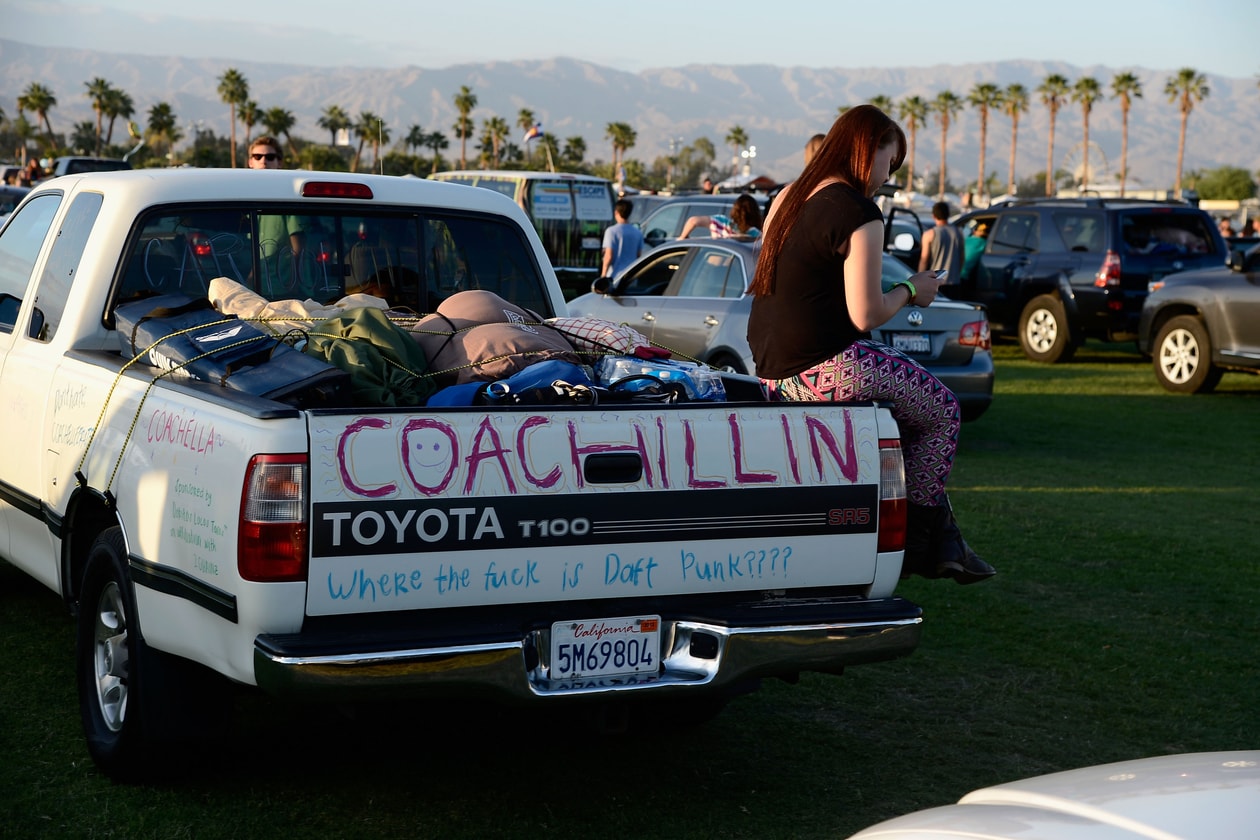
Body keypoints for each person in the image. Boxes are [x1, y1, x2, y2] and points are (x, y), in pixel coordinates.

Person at [746, 104, 995, 585]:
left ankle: (946, 542)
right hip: (824, 365)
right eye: (890, 161)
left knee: (904, 412)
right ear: (866, 151)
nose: (888, 176)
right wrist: (912, 292)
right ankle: (923, 545)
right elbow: (866, 313)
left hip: (770, 367)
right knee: (942, 409)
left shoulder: (786, 196)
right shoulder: (860, 212)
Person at [679, 193, 764, 240]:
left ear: (734, 210)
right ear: (755, 213)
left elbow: (692, 221)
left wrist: (682, 238)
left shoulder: (721, 222)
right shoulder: (757, 236)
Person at [918, 200, 965, 281]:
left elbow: (924, 260)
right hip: (954, 282)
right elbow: (962, 258)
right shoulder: (958, 232)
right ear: (948, 215)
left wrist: (919, 280)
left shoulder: (929, 234)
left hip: (936, 281)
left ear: (933, 216)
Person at [601, 198, 645, 278]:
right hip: (631, 275)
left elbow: (609, 256)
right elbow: (639, 255)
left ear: (616, 212)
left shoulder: (611, 231)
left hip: (615, 275)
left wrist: (603, 274)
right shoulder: (638, 232)